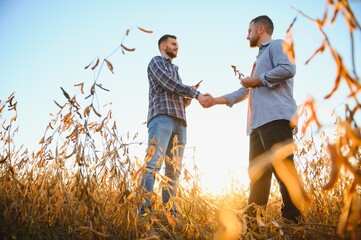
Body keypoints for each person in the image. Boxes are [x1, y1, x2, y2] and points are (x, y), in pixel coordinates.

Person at [202, 15, 301, 222]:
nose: (247, 35)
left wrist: (256, 80)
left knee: (284, 171)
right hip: (256, 126)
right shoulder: (258, 60)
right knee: (257, 177)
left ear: (261, 29)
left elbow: (288, 69)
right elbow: (242, 92)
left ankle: (294, 221)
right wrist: (214, 100)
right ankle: (254, 224)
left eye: (249, 31)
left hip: (275, 119)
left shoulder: (277, 46)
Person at [139, 34, 211, 217]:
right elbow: (168, 84)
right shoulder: (156, 62)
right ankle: (143, 212)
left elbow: (179, 99)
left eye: (177, 45)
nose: (177, 47)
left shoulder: (175, 70)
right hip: (162, 119)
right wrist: (196, 94)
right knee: (153, 165)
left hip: (180, 122)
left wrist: (189, 96)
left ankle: (170, 214)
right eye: (174, 44)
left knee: (174, 171)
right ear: (164, 45)